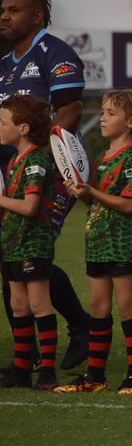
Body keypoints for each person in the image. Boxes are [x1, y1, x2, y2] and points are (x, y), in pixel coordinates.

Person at [0, 0, 90, 370]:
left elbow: (71, 108)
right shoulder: (5, 65)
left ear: (36, 15)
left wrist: (40, 151)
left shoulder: (56, 53)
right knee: (13, 257)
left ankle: (78, 329)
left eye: (14, 10)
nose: (5, 16)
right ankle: (29, 354)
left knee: (29, 255)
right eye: (3, 10)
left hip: (46, 173)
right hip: (10, 173)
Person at [53, 90, 132, 395]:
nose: (103, 118)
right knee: (97, 307)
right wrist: (81, 195)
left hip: (122, 243)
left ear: (131, 121)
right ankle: (95, 375)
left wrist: (91, 193)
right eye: (104, 112)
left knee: (127, 305)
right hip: (97, 240)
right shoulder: (99, 158)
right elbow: (98, 203)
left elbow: (130, 205)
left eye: (111, 113)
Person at [0, 95, 61, 389]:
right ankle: (22, 367)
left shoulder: (36, 160)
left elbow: (29, 206)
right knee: (18, 305)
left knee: (39, 304)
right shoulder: (15, 159)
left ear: (23, 128)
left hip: (32, 244)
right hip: (14, 242)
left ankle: (47, 369)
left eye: (3, 122)